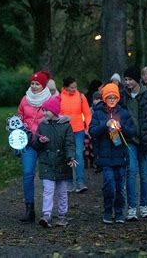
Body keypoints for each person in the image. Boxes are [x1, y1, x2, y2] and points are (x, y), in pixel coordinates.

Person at [89, 83, 135, 224]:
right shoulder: (98, 114)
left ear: (118, 97)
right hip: (105, 156)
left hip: (120, 155)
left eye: (114, 96)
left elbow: (133, 132)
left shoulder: (124, 113)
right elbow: (92, 131)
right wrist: (105, 125)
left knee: (120, 185)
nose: (112, 99)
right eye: (109, 97)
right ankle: (108, 210)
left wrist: (123, 128)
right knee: (109, 183)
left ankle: (119, 211)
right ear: (104, 98)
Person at [121, 66, 147, 221]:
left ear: (136, 79)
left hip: (145, 141)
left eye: (130, 79)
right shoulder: (123, 97)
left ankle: (144, 206)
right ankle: (131, 207)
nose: (127, 82)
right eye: (125, 80)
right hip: (129, 140)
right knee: (130, 173)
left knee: (145, 175)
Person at [32, 96, 77, 228]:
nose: (44, 113)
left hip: (62, 163)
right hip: (47, 163)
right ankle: (47, 214)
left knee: (62, 191)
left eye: (47, 110)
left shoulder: (66, 126)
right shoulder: (42, 125)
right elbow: (35, 144)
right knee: (48, 190)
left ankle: (62, 215)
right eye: (44, 110)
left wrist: (71, 157)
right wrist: (40, 141)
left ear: (55, 111)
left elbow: (70, 144)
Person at [17, 70, 52, 223]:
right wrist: (17, 123)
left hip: (45, 142)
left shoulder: (51, 100)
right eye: (32, 83)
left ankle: (47, 210)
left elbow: (57, 119)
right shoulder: (25, 99)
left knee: (47, 176)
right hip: (28, 141)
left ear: (44, 86)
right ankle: (29, 209)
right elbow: (19, 116)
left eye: (37, 84)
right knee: (27, 174)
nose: (34, 86)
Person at [59, 77, 92, 193]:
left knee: (78, 154)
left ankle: (80, 181)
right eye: (72, 87)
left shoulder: (81, 97)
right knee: (67, 154)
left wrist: (87, 126)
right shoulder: (59, 98)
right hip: (64, 131)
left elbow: (87, 114)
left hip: (79, 130)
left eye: (76, 87)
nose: (74, 89)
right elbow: (57, 114)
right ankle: (68, 182)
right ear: (66, 87)